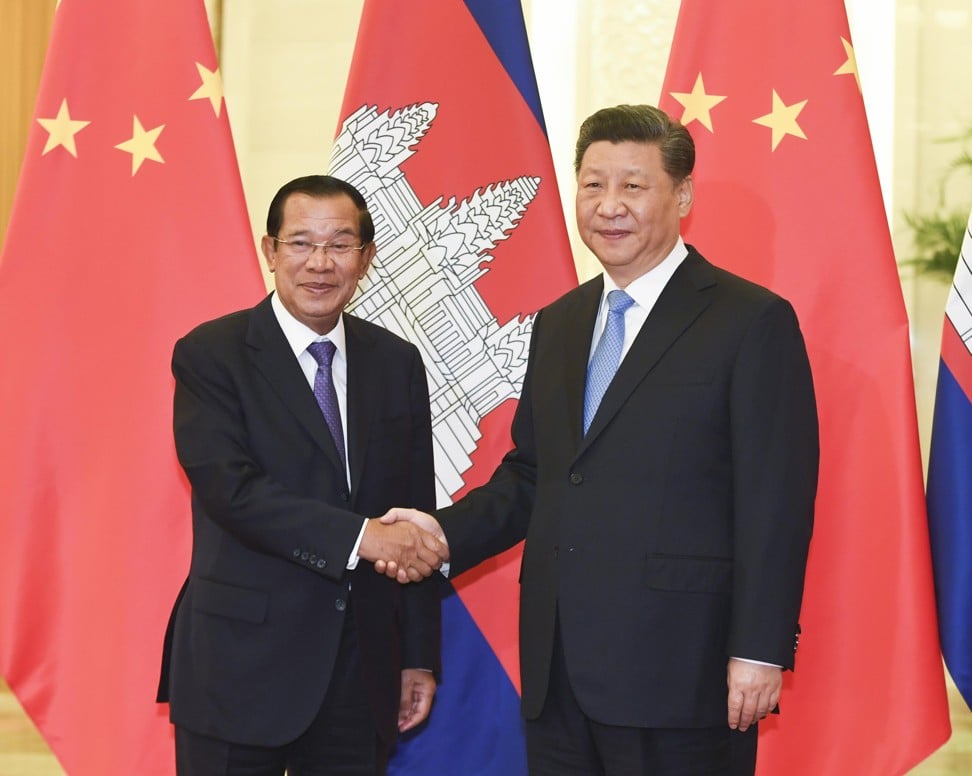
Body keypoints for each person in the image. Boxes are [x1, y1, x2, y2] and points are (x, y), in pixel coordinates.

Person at [380, 105, 819, 775]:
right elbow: (537, 474)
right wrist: (440, 536)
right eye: (592, 184)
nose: (609, 205)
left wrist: (758, 650)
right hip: (559, 672)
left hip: (683, 671)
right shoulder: (561, 322)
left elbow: (775, 500)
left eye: (633, 187)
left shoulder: (749, 321)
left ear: (682, 196)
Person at [157, 175, 448, 776]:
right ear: (270, 251)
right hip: (239, 666)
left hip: (360, 669)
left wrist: (416, 654)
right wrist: (361, 537)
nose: (320, 263)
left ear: (365, 259)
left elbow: (413, 511)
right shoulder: (212, 354)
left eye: (340, 245)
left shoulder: (396, 362)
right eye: (300, 244)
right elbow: (231, 490)